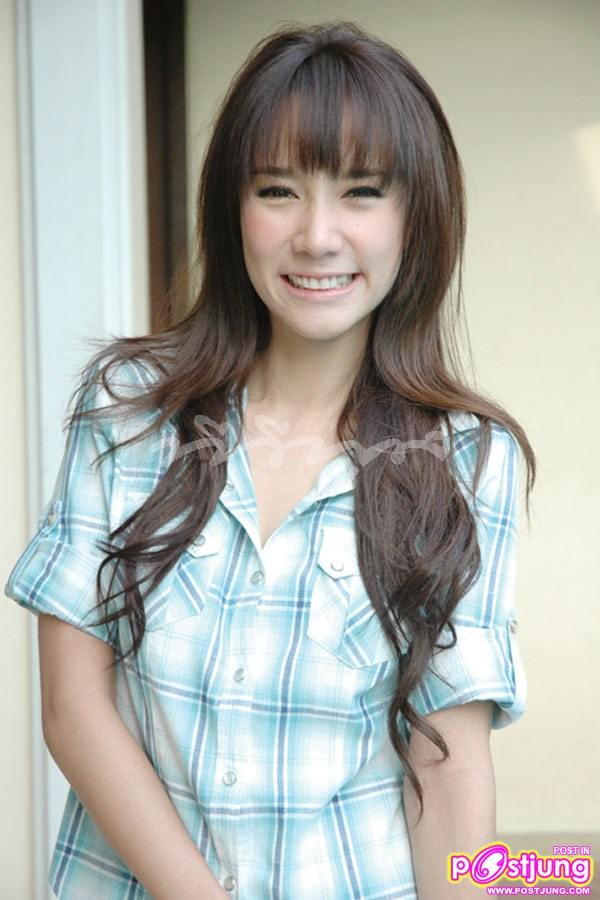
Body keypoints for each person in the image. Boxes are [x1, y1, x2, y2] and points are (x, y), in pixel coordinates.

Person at [4, 20, 535, 900]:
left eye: (362, 192)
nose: (317, 236)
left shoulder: (471, 462)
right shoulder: (128, 410)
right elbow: (73, 709)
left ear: (416, 218)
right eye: (279, 190)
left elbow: (448, 770)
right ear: (233, 208)